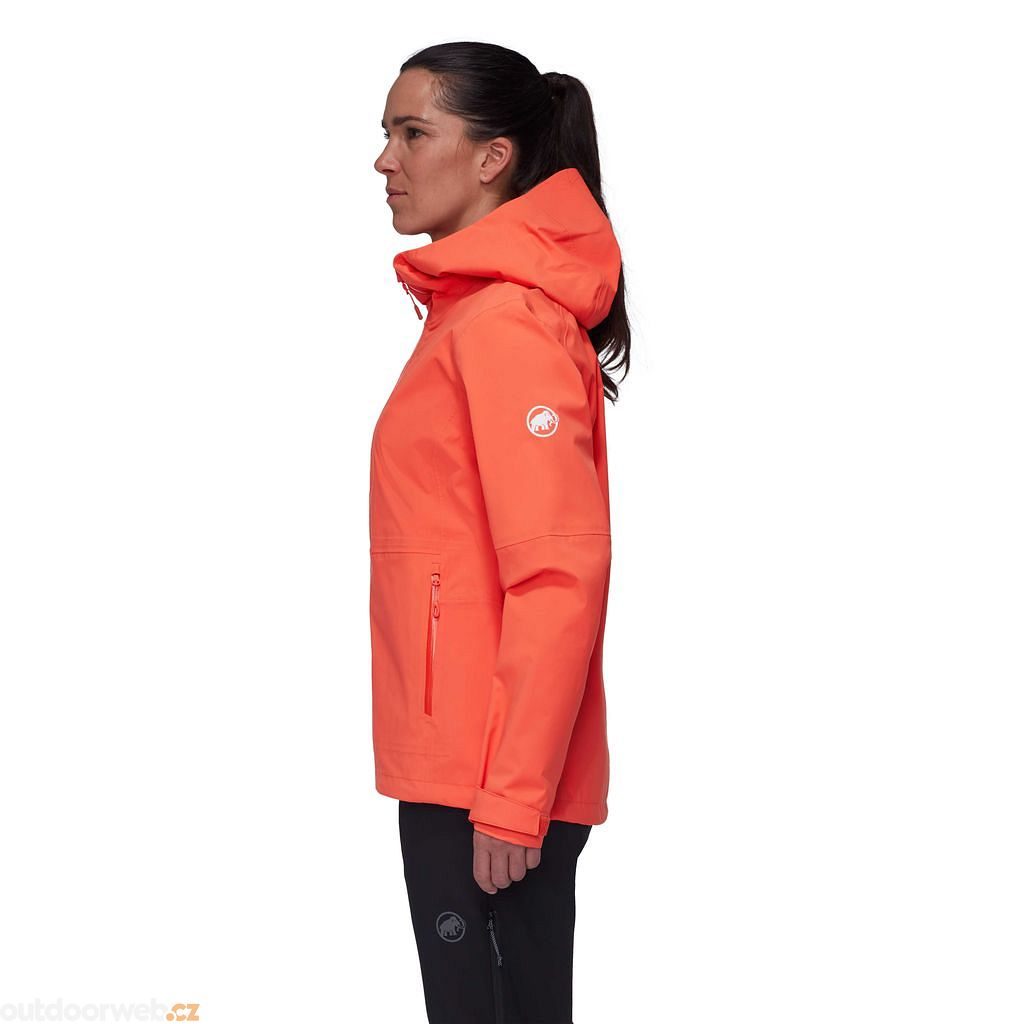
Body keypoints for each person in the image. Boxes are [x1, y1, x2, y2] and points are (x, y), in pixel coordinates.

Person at [369, 40, 631, 1024]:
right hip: (468, 764)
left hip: (488, 781)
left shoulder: (505, 325)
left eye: (413, 133)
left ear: (493, 158)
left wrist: (514, 798)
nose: (385, 160)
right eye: (387, 134)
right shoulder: (471, 315)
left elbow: (559, 574)